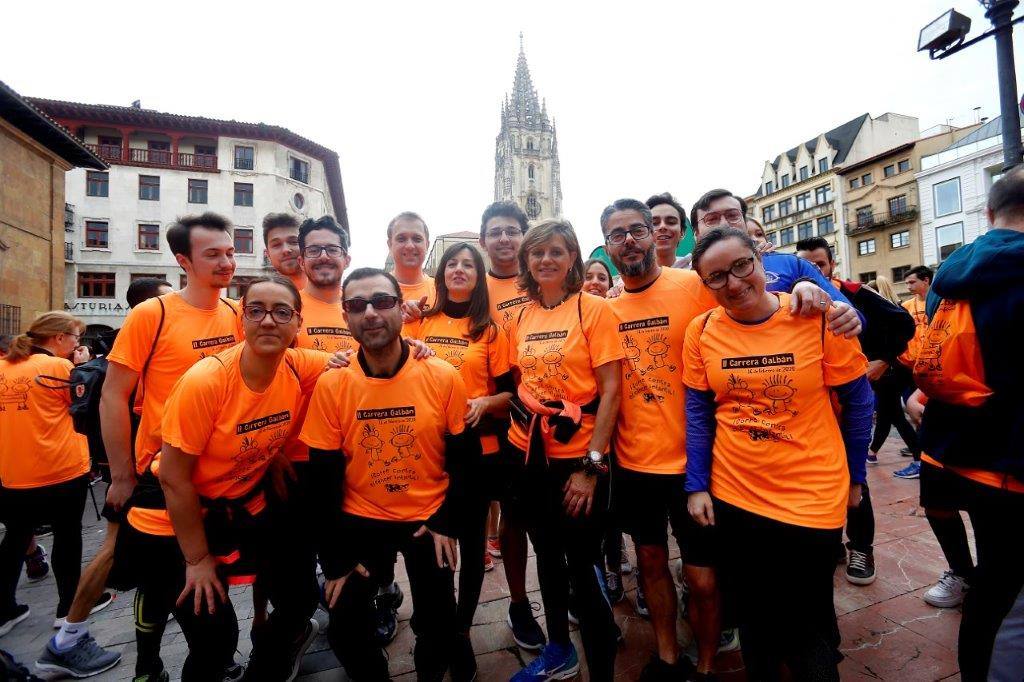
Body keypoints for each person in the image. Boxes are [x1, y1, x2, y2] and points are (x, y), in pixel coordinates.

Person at [685, 227, 873, 680]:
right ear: (704, 285)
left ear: (760, 260)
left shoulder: (816, 315)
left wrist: (855, 478)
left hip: (811, 495)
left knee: (807, 622)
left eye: (741, 266)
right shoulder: (703, 329)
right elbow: (697, 413)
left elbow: (859, 402)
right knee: (754, 619)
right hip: (736, 494)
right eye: (716, 277)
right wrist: (697, 485)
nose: (732, 282)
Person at [142, 275, 328, 680]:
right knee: (213, 636)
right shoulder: (207, 381)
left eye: (281, 312)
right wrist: (197, 560)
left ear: (298, 323)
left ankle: (271, 663)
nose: (268, 321)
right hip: (176, 517)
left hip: (243, 502)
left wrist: (417, 350)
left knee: (300, 595)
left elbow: (358, 362)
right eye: (256, 310)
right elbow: (174, 479)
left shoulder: (297, 366)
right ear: (242, 318)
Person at [301, 267, 470, 681]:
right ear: (346, 317)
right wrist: (336, 560)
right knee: (345, 629)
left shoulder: (442, 375)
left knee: (440, 627)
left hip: (426, 519)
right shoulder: (334, 382)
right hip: (361, 519)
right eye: (358, 305)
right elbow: (321, 477)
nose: (371, 313)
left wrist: (446, 521)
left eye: (382, 301)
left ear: (401, 308)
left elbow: (463, 459)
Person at [103, 213, 243, 681]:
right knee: (180, 593)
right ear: (183, 260)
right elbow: (113, 395)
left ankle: (176, 662)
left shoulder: (236, 313)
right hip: (163, 475)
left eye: (229, 251)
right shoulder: (153, 314)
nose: (227, 261)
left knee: (204, 598)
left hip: (217, 478)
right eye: (213, 254)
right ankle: (155, 664)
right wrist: (121, 474)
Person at [601, 199, 719, 680]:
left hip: (697, 464)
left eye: (637, 229)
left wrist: (808, 291)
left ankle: (708, 665)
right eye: (616, 234)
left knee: (703, 578)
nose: (628, 239)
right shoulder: (604, 308)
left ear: (656, 235)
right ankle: (668, 656)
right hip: (635, 464)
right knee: (650, 564)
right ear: (607, 246)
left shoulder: (692, 286)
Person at [914, 168, 1024, 680]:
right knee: (1008, 599)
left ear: (987, 213)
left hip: (960, 451)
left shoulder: (950, 276)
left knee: (994, 587)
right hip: (1012, 463)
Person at [505, 220, 622, 682]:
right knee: (547, 557)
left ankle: (603, 668)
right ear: (527, 263)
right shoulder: (524, 315)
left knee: (583, 564)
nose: (546, 260)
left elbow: (612, 391)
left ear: (572, 257)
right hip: (531, 454)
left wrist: (592, 466)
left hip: (581, 458)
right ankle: (558, 651)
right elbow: (523, 379)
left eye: (556, 251)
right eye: (537, 253)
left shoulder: (592, 309)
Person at [36, 278, 171, 677]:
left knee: (132, 554)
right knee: (116, 548)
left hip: (133, 467)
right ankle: (68, 640)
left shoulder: (139, 343)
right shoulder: (139, 344)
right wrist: (123, 474)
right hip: (135, 470)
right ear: (149, 307)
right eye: (169, 299)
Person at [410, 242, 514, 680]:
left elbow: (510, 395)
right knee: (429, 544)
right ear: (441, 272)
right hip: (426, 451)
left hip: (476, 452)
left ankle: (463, 631)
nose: (458, 269)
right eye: (451, 263)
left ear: (479, 275)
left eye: (468, 264)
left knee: (472, 547)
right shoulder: (421, 322)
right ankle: (436, 625)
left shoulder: (490, 329)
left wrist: (484, 401)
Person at [796, 237, 915, 587]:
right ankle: (832, 543)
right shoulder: (793, 297)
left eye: (820, 263)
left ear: (831, 264)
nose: (814, 270)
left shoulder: (854, 292)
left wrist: (884, 360)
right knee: (818, 480)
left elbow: (904, 325)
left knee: (854, 476)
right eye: (807, 264)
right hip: (812, 408)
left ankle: (861, 547)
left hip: (851, 403)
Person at [0, 313, 96, 649]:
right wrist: (83, 369)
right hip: (60, 467)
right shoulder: (57, 368)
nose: (76, 345)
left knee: (15, 539)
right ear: (58, 338)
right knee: (68, 538)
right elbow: (83, 407)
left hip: (13, 472)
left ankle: (4, 608)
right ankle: (67, 606)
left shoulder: (4, 367)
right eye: (74, 337)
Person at [478, 200, 546, 651]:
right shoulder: (474, 286)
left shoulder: (542, 281)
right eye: (495, 232)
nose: (504, 239)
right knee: (512, 517)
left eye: (511, 231)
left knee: (552, 516)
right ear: (484, 241)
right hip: (496, 417)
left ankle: (572, 588)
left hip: (546, 416)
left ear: (523, 237)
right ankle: (520, 602)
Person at [690, 189, 863, 336]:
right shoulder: (684, 282)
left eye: (732, 215)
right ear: (696, 233)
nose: (725, 223)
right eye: (711, 219)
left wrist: (841, 313)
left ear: (744, 222)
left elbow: (852, 317)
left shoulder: (792, 265)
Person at [893, 264, 934, 480]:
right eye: (906, 282)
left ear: (926, 280)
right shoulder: (907, 305)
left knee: (926, 413)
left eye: (912, 282)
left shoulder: (940, 302)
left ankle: (927, 460)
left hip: (932, 368)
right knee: (913, 412)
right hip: (908, 367)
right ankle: (923, 459)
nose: (908, 285)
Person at [387, 211, 436, 320]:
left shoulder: (441, 292)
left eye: (417, 239)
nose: (409, 246)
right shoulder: (375, 291)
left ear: (427, 245)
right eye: (401, 239)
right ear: (390, 245)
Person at [263, 213, 306, 290]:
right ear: (268, 254)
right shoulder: (255, 298)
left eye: (293, 242)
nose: (285, 250)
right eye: (276, 245)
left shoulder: (330, 293)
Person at [646, 192, 690, 268]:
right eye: (654, 223)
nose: (662, 226)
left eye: (671, 222)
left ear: (682, 232)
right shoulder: (629, 277)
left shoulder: (699, 273)